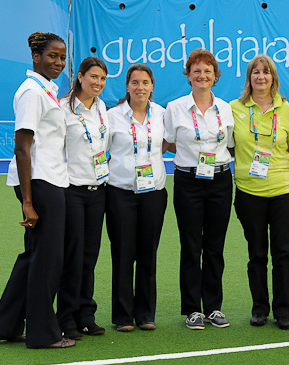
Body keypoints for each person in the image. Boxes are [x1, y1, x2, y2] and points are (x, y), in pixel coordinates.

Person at [0, 32, 75, 348]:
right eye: (52, 56)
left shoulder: (45, 90)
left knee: (34, 256)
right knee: (47, 260)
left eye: (62, 57)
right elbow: (22, 148)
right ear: (36, 57)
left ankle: (5, 325)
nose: (59, 62)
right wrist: (27, 201)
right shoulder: (31, 92)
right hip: (38, 182)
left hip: (49, 179)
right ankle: (42, 333)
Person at [164, 49, 234, 330]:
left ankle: (214, 307)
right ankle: (192, 309)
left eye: (207, 70)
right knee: (191, 246)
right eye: (196, 70)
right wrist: (191, 157)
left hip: (220, 181)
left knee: (215, 247)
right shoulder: (174, 108)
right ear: (188, 75)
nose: (202, 75)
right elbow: (168, 142)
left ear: (215, 76)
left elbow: (228, 143)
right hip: (188, 182)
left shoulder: (226, 108)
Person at [230, 54, 289, 330]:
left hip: (283, 190)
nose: (261, 77)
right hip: (248, 191)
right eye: (255, 72)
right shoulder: (235, 108)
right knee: (256, 253)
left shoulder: (287, 111)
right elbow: (228, 145)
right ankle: (260, 308)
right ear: (249, 78)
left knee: (282, 254)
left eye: (266, 72)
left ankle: (283, 311)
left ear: (274, 78)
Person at [106, 64, 168, 332]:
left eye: (145, 82)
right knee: (122, 253)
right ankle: (122, 316)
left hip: (153, 193)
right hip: (120, 192)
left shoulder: (163, 115)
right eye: (134, 82)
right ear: (127, 86)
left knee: (147, 253)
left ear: (152, 86)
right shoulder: (112, 116)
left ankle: (145, 314)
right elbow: (102, 150)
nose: (140, 87)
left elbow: (169, 143)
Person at [57, 57, 109, 340]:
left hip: (98, 192)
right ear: (79, 77)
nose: (98, 83)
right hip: (72, 191)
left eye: (102, 78)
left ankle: (86, 314)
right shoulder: (63, 109)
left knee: (90, 257)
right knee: (73, 257)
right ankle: (65, 317)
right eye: (93, 77)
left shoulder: (104, 109)